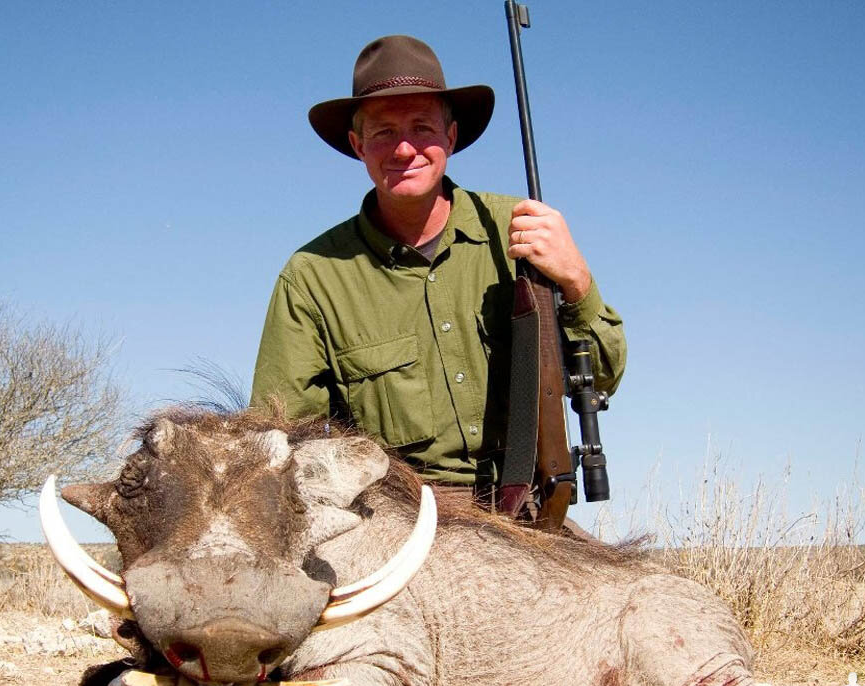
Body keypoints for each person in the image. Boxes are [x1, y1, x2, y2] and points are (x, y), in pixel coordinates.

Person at [251, 35, 625, 500]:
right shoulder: (311, 276)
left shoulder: (524, 231)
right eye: (383, 132)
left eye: (422, 127)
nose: (405, 149)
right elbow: (278, 441)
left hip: (524, 505)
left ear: (450, 138)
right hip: (393, 519)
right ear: (357, 145)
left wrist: (576, 280)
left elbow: (604, 374)